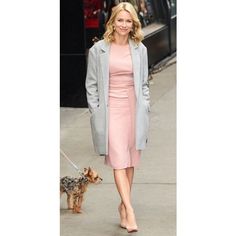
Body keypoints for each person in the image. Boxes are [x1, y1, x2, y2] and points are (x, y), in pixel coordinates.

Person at [85, 2, 150, 233]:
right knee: (118, 159)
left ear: (134, 23)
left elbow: (143, 83)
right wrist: (96, 111)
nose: (124, 25)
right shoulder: (98, 50)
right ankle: (130, 210)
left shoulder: (140, 48)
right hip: (110, 111)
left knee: (130, 160)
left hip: (134, 109)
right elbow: (91, 85)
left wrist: (145, 104)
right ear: (112, 22)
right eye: (120, 20)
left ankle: (123, 206)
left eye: (128, 21)